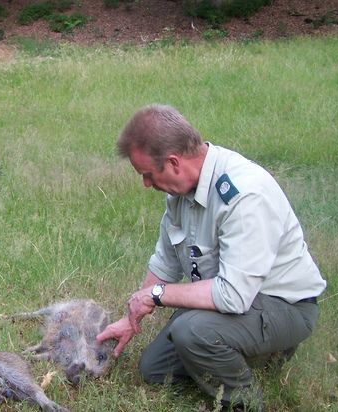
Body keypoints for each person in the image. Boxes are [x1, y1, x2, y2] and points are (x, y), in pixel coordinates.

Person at [96, 104, 326, 410]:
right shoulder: (179, 194)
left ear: (174, 162)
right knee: (154, 369)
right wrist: (130, 317)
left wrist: (158, 294)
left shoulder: (244, 195)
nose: (146, 184)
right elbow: (166, 261)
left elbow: (233, 295)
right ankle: (247, 352)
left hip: (282, 305)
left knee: (191, 332)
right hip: (231, 301)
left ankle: (242, 400)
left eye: (148, 174)